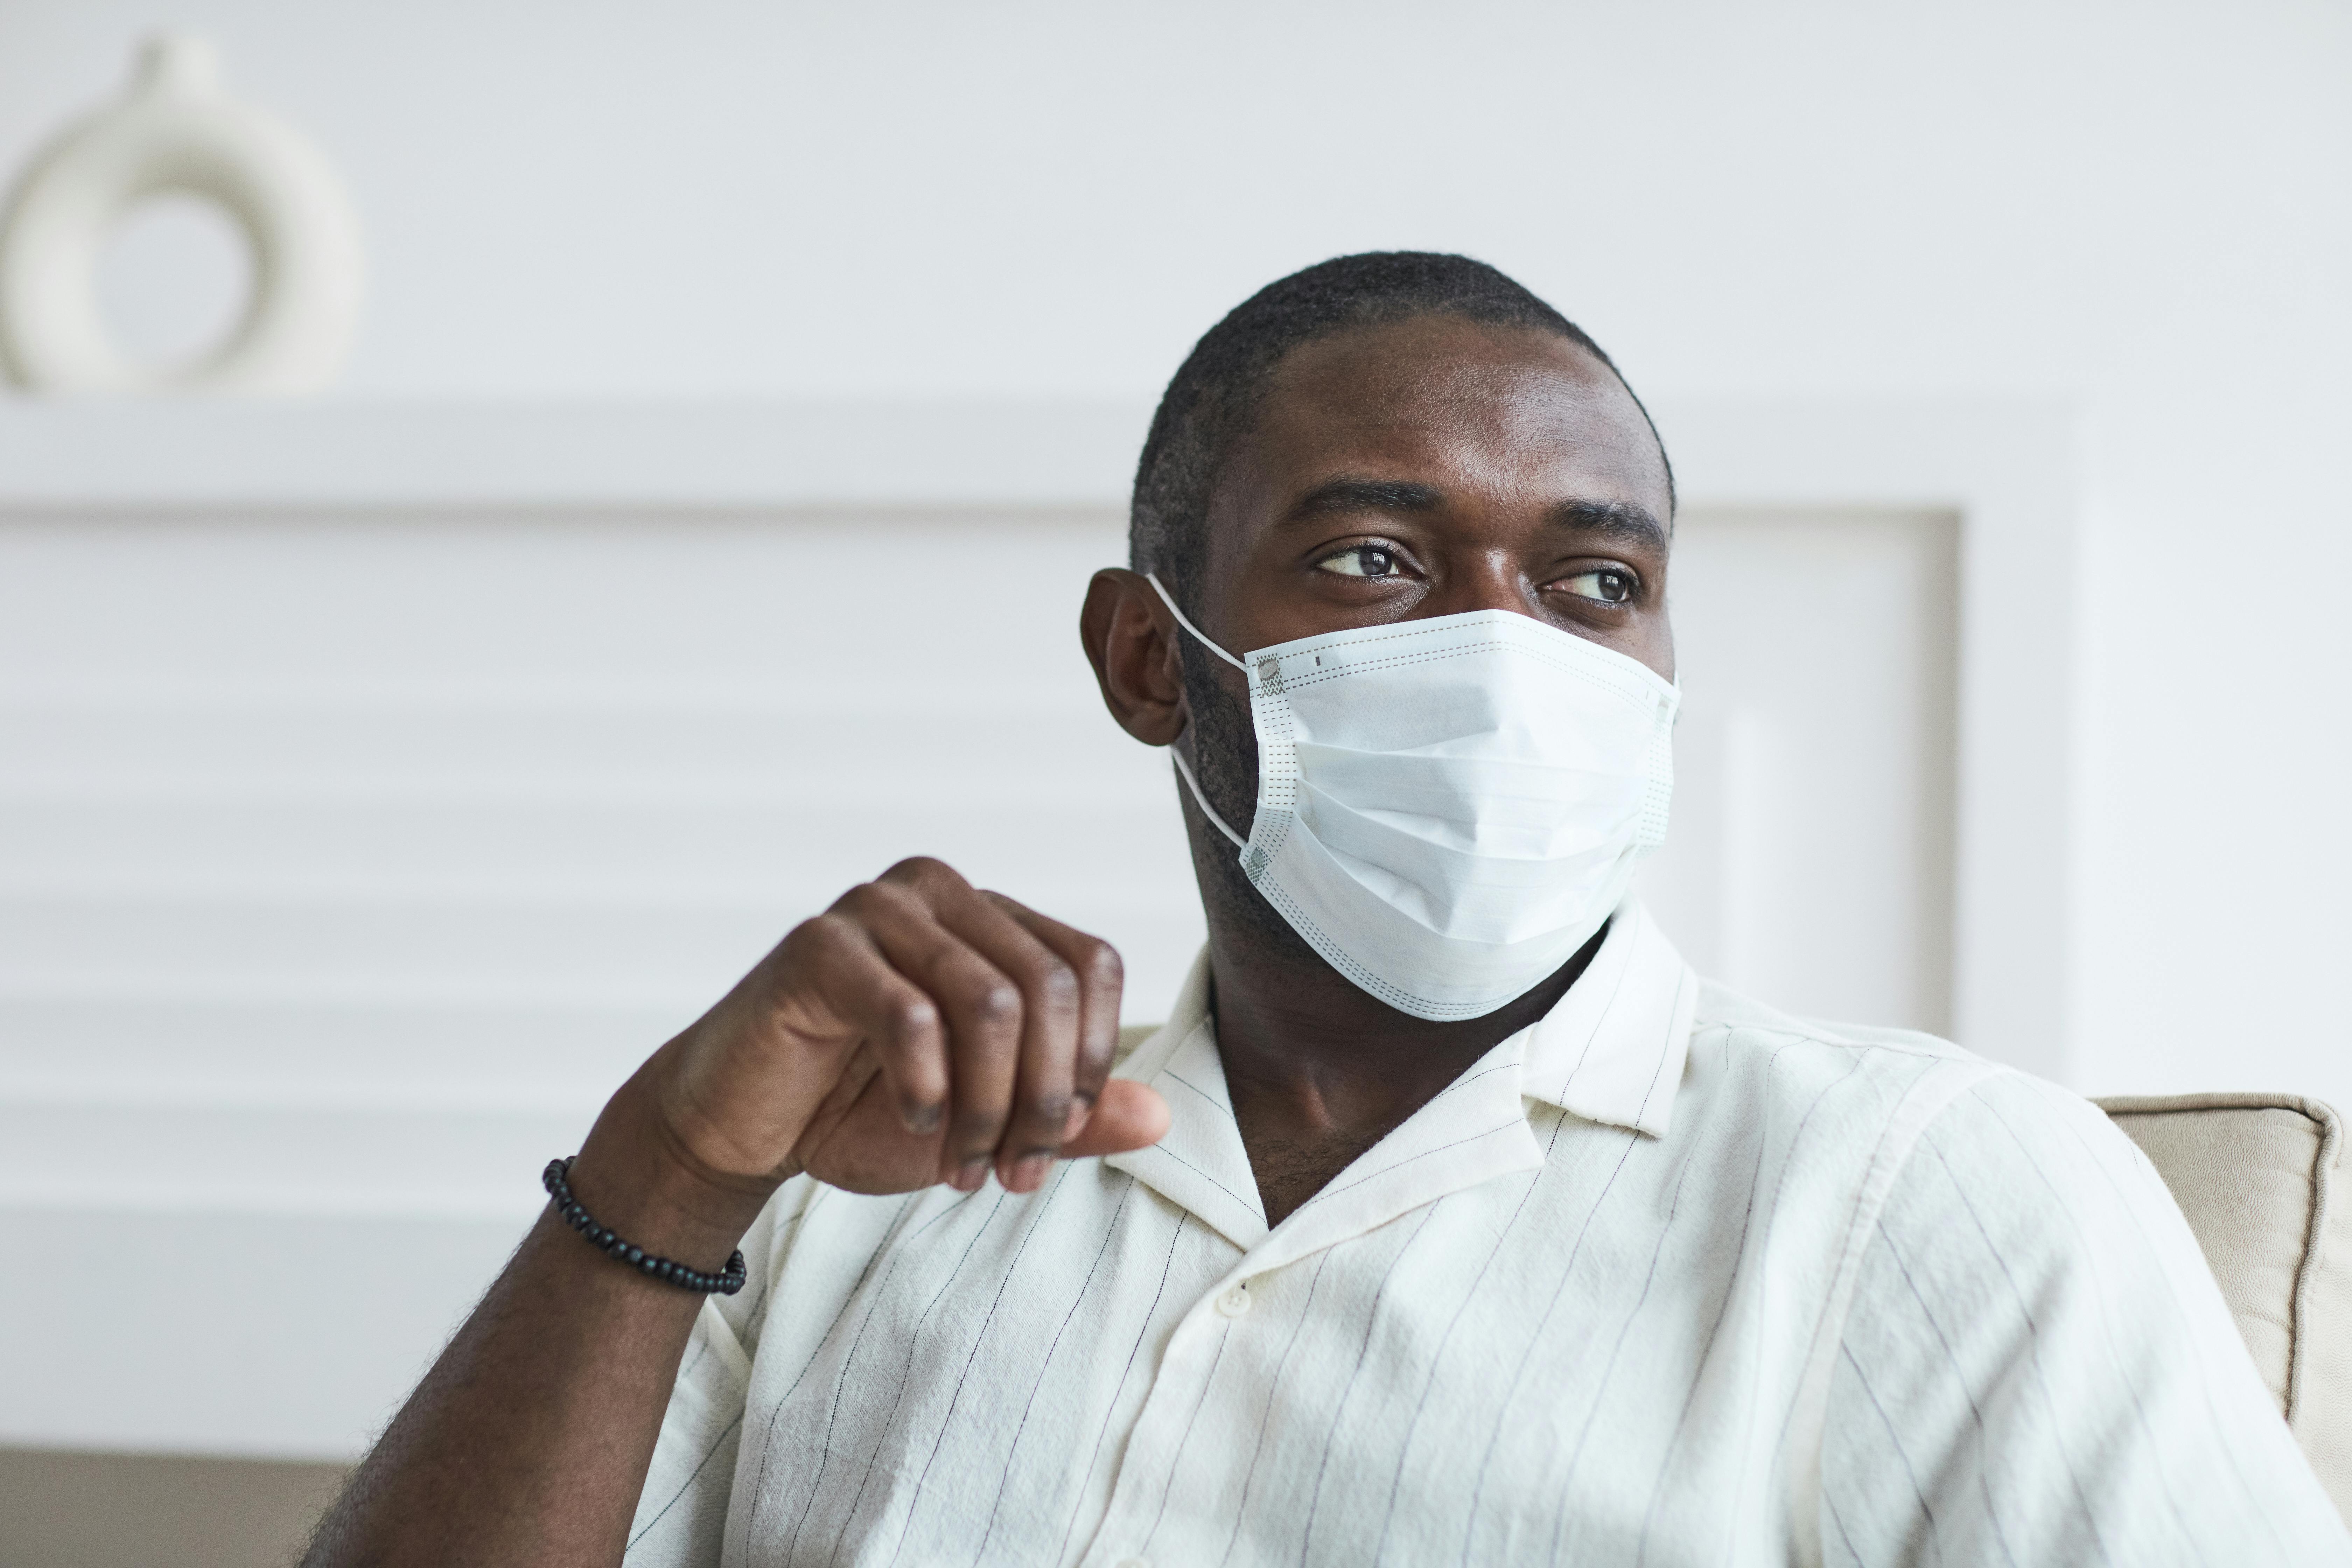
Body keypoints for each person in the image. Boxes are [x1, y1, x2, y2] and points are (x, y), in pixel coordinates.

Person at [303, 253, 2348, 1568]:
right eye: (1374, 560)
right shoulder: (873, 1178)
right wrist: (674, 1162)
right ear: (1147, 661)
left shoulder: (1929, 1189)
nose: (1506, 649)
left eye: (1593, 580)